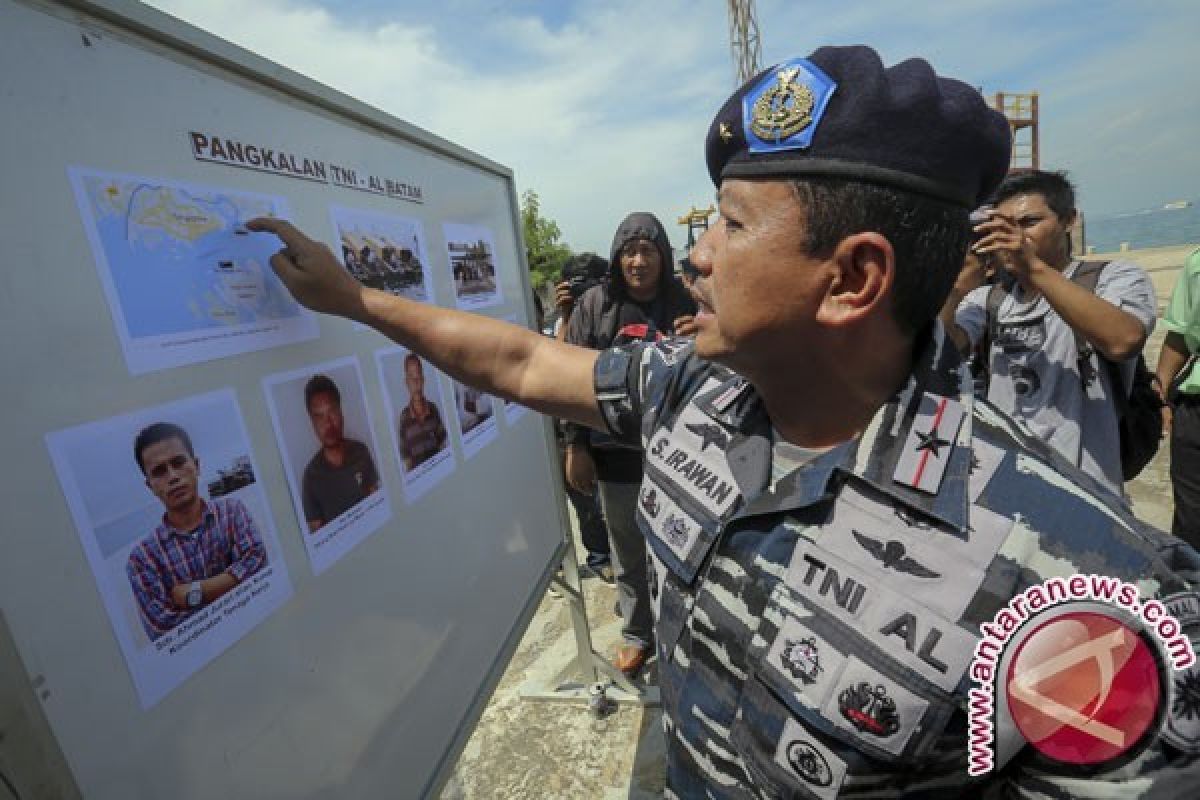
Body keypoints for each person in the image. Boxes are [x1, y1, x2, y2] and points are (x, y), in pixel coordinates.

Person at [249, 45, 1200, 798]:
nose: (695, 256)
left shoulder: (1076, 587)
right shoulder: (691, 391)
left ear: (854, 279)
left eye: (733, 226)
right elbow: (526, 359)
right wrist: (358, 302)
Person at [941, 170, 1158, 496]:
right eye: (1005, 226)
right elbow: (945, 353)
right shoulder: (989, 299)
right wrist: (955, 285)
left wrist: (1034, 268)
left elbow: (1123, 340)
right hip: (1005, 478)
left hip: (1088, 485)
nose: (1015, 237)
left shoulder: (1112, 278)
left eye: (1029, 223)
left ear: (1069, 220)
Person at [563, 213, 697, 676]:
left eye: (648, 251)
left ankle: (685, 631)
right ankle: (638, 631)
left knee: (685, 545)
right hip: (615, 454)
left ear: (663, 254)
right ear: (618, 257)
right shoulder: (594, 305)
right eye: (629, 252)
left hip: (681, 452)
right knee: (627, 546)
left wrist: (703, 335)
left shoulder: (689, 298)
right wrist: (574, 445)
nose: (638, 261)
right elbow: (572, 375)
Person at [125, 422, 267, 641]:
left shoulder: (231, 512)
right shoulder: (142, 560)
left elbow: (258, 561)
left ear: (197, 465)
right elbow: (164, 631)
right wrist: (235, 590)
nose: (173, 476)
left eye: (178, 462)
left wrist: (194, 593)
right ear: (150, 486)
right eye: (159, 471)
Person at [1157, 247, 1200, 547]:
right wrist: (1161, 394)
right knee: (1191, 518)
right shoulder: (1197, 261)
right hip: (1194, 406)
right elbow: (1180, 335)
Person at [301, 374, 380, 532]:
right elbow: (318, 535)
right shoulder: (310, 477)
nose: (328, 423)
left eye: (332, 411)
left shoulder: (361, 452)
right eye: (319, 416)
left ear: (341, 411)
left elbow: (377, 502)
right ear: (311, 421)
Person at [397, 353, 448, 471]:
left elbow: (443, 446)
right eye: (411, 376)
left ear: (423, 379)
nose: (416, 381)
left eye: (418, 374)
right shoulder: (404, 418)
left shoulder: (433, 409)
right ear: (406, 382)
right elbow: (407, 460)